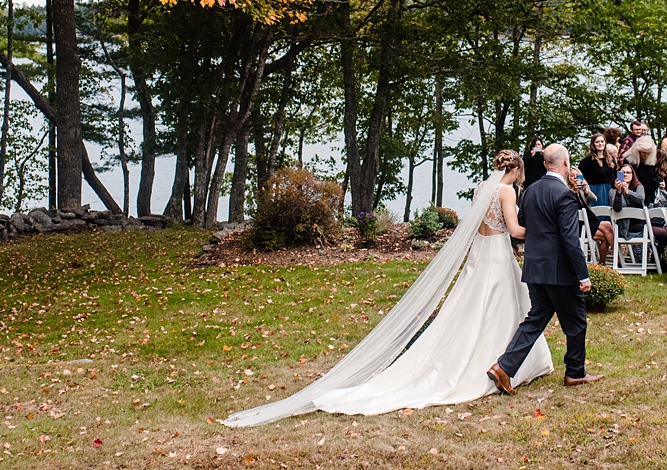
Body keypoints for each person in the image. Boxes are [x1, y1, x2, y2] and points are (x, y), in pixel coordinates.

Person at [222, 151, 552, 424]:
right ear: (516, 170)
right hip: (495, 259)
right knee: (501, 310)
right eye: (521, 175)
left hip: (478, 256)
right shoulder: (506, 191)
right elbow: (514, 230)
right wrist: (540, 225)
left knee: (469, 310)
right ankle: (504, 365)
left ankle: (503, 361)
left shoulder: (481, 188)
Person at [490, 144, 604, 395]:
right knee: (575, 322)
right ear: (566, 164)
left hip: (534, 267)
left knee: (536, 319)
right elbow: (570, 240)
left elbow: (522, 225)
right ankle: (575, 372)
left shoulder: (529, 190)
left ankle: (504, 367)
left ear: (544, 164)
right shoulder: (564, 194)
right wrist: (582, 275)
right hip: (559, 271)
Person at [568, 166, 612, 262]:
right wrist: (573, 191)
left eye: (577, 175)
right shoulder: (566, 191)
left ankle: (602, 263)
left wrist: (587, 191)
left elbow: (594, 199)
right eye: (572, 176)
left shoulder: (583, 189)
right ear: (568, 178)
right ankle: (617, 255)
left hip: (589, 221)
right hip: (578, 224)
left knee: (605, 236)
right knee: (607, 225)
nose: (575, 178)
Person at [578, 133, 615, 208]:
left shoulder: (610, 160)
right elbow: (579, 176)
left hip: (609, 190)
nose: (600, 144)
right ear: (593, 144)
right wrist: (583, 189)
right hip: (595, 191)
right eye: (597, 142)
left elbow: (616, 174)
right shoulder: (587, 161)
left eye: (602, 141)